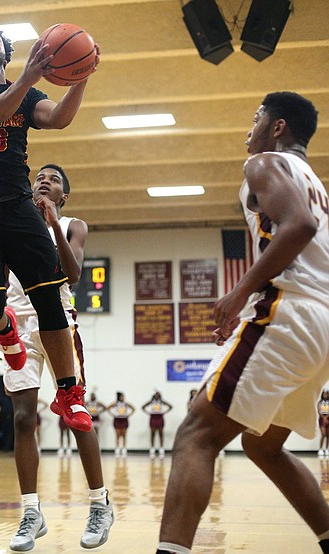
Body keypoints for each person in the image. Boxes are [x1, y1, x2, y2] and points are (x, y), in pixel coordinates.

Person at [158, 92, 329, 554]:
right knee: (263, 447)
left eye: (256, 118)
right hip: (321, 328)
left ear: (278, 127)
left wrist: (239, 293)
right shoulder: (315, 182)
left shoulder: (265, 163)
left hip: (288, 312)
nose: (247, 130)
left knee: (196, 434)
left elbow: (298, 228)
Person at [0, 21, 98, 434]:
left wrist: (81, 78)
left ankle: (68, 393)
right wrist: (30, 74)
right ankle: (7, 327)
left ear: (6, 52)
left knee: (51, 295)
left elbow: (59, 117)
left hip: (17, 207)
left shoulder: (28, 94)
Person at [0, 164, 113, 551]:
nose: (44, 180)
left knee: (76, 415)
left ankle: (99, 503)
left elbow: (73, 275)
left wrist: (54, 223)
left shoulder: (74, 223)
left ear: (64, 196)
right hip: (19, 327)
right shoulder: (12, 223)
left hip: (57, 322)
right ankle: (30, 512)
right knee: (23, 418)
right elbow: (3, 282)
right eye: (40, 176)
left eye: (54, 179)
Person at [142, 391, 173, 459]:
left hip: (160, 417)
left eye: (158, 395)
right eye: (156, 395)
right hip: (153, 417)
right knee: (152, 434)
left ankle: (161, 450)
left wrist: (164, 412)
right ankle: (152, 450)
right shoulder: (151, 402)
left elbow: (170, 406)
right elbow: (143, 407)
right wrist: (148, 412)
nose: (157, 396)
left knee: (161, 434)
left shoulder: (161, 402)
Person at [107, 392, 134, 458]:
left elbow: (133, 408)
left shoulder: (126, 403)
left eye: (123, 396)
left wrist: (129, 414)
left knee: (124, 435)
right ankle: (117, 450)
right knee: (117, 435)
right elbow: (108, 408)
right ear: (119, 397)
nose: (123, 398)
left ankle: (124, 450)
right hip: (117, 419)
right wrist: (112, 414)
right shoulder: (115, 403)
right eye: (122, 396)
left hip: (124, 419)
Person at [319, 390, 329, 458]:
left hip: (328, 418)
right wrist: (324, 418)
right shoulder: (320, 403)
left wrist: (326, 417)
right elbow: (319, 411)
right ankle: (320, 449)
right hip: (322, 419)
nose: (325, 395)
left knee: (328, 435)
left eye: (326, 394)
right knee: (323, 434)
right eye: (324, 394)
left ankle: (327, 449)